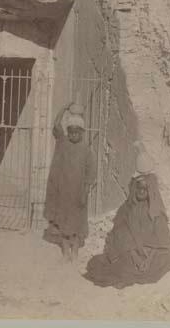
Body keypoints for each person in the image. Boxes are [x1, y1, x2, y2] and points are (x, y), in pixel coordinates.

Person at [83, 171, 170, 288]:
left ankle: (130, 275)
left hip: (150, 253)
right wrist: (136, 258)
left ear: (150, 191)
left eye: (145, 189)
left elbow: (161, 240)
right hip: (130, 252)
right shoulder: (126, 209)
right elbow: (121, 235)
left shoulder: (156, 211)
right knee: (107, 263)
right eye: (139, 188)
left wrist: (147, 260)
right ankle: (128, 275)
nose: (141, 192)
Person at [43, 101, 96, 263]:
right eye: (71, 132)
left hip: (78, 194)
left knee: (77, 226)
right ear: (68, 132)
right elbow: (56, 123)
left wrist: (86, 190)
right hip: (64, 194)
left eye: (77, 132)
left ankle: (75, 251)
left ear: (82, 132)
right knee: (64, 226)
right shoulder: (63, 143)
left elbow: (90, 173)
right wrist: (64, 108)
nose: (73, 135)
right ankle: (66, 251)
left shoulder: (86, 150)